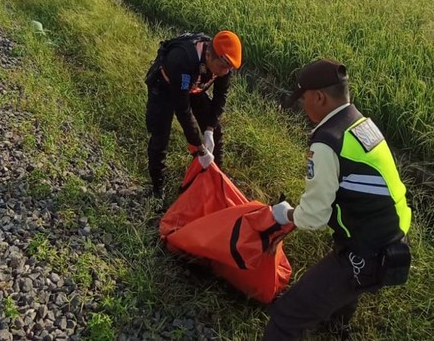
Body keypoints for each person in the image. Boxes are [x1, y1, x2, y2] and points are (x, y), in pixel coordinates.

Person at [264, 58, 412, 340]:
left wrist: (286, 214)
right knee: (345, 288)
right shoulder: (362, 124)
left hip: (366, 252)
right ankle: (336, 328)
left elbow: (314, 218)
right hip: (395, 238)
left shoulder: (328, 141)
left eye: (304, 98)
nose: (302, 105)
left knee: (285, 318)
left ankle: (331, 321)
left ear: (319, 97)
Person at [145, 30, 242, 198]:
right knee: (160, 137)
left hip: (193, 89)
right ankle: (157, 190)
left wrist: (209, 129)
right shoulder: (183, 59)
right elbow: (183, 109)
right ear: (209, 55)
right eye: (222, 67)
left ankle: (215, 181)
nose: (225, 72)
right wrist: (198, 147)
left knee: (216, 132)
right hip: (165, 88)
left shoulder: (224, 64)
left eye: (229, 69)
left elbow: (220, 97)